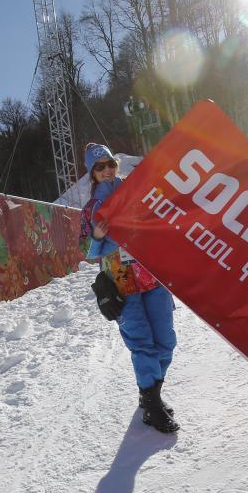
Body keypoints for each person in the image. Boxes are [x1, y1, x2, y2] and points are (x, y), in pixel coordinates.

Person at [79, 143, 180, 433]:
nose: (107, 170)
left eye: (110, 163)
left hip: (152, 276)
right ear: (92, 173)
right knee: (142, 344)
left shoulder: (138, 194)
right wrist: (99, 236)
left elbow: (159, 225)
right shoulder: (90, 211)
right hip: (121, 281)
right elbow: (86, 250)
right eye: (100, 167)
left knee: (166, 341)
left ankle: (151, 394)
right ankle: (151, 405)